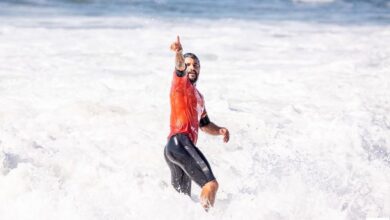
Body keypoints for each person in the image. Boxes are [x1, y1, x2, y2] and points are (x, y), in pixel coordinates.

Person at [164, 35, 230, 211]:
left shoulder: (199, 97)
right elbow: (178, 67)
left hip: (174, 149)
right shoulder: (180, 83)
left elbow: (204, 124)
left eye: (196, 65)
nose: (192, 67)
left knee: (183, 203)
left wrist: (220, 130)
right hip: (180, 142)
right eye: (188, 64)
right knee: (211, 185)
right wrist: (179, 52)